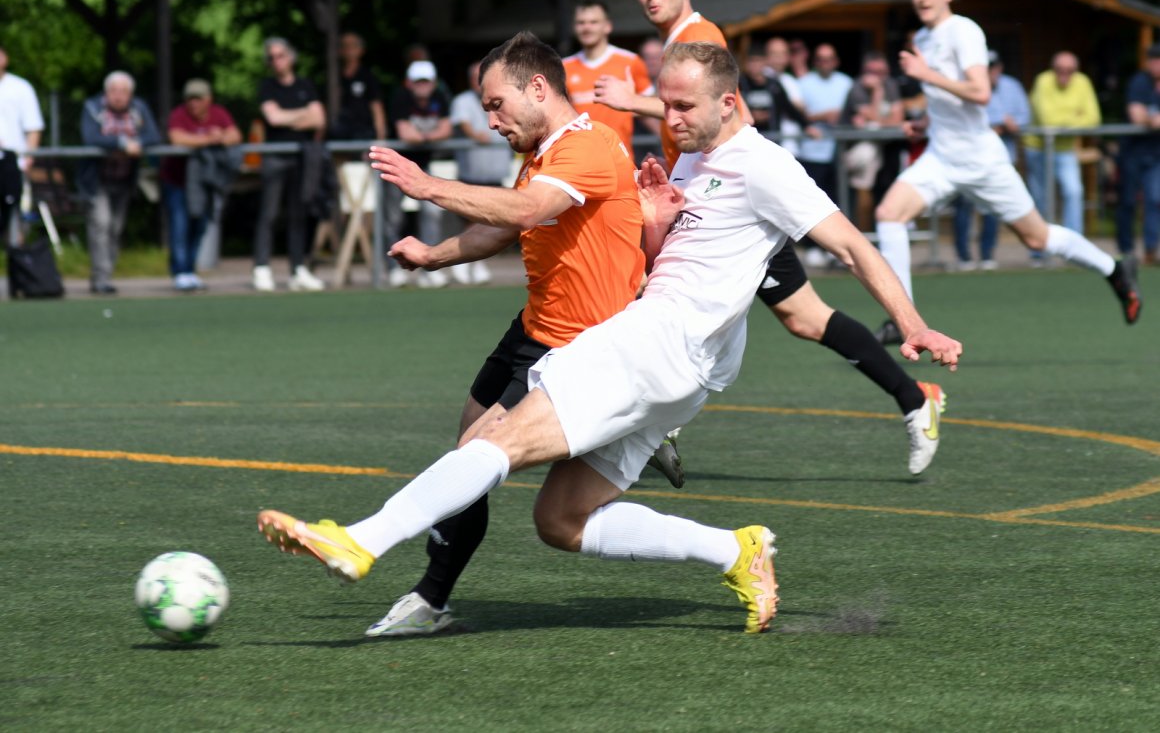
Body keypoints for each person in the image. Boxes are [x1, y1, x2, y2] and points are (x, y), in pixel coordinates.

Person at [257, 41, 963, 636]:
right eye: (665, 101)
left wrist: (914, 324)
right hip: (687, 370)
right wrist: (655, 223)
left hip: (654, 342)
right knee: (560, 519)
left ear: (729, 103)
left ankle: (361, 540)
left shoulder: (764, 163)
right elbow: (679, 258)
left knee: (490, 444)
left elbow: (852, 246)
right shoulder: (688, 160)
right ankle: (736, 549)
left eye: (683, 105)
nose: (668, 116)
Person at [595, 0, 949, 474]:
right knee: (805, 319)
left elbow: (735, 119)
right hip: (701, 200)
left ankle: (650, 427)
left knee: (660, 296)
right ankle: (914, 398)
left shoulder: (698, 37)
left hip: (730, 209)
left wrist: (632, 104)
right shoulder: (677, 45)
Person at [362, 32, 645, 636]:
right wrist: (433, 255)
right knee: (464, 444)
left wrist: (426, 186)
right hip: (532, 327)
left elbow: (524, 211)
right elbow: (508, 227)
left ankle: (429, 599)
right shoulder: (544, 152)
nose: (490, 120)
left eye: (496, 105)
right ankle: (432, 597)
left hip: (574, 346)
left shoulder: (589, 146)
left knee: (474, 465)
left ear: (537, 87)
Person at [873, 0, 1141, 341]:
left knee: (1037, 238)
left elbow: (980, 92)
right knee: (888, 215)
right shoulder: (924, 37)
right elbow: (948, 99)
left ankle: (1114, 270)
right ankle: (905, 322)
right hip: (941, 156)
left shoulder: (963, 30)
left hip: (981, 160)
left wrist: (925, 74)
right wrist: (927, 123)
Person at [252, 37, 327, 293]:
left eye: (280, 55)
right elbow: (273, 118)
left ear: (291, 57)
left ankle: (298, 269)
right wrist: (302, 114)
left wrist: (290, 117)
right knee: (269, 213)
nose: (276, 61)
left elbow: (319, 119)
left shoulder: (305, 85)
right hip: (275, 157)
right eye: (271, 57)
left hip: (303, 157)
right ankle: (261, 267)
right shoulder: (267, 86)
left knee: (299, 214)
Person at [78, 71, 162, 295]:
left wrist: (138, 143)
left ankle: (107, 273)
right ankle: (100, 278)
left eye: (124, 91)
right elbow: (91, 138)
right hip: (97, 180)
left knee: (115, 229)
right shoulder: (93, 108)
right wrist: (122, 143)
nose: (119, 96)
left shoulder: (139, 109)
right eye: (114, 91)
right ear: (106, 92)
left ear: (130, 94)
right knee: (101, 224)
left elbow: (154, 135)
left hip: (124, 179)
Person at [162, 78, 242, 292]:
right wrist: (209, 138)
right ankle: (179, 271)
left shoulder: (219, 113)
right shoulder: (179, 115)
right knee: (180, 226)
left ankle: (191, 269)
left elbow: (235, 135)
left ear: (208, 99)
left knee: (199, 226)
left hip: (205, 183)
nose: (193, 103)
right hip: (178, 182)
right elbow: (177, 138)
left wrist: (221, 136)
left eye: (198, 98)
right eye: (190, 99)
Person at [953, 51, 1030, 270]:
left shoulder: (1011, 86)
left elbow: (1024, 117)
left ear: (1000, 68)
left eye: (993, 68)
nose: (989, 72)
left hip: (999, 158)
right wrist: (997, 123)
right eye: (986, 68)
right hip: (967, 157)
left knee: (993, 208)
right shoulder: (966, 86)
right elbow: (965, 119)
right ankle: (964, 257)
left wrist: (1009, 124)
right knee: (964, 206)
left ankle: (987, 254)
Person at [1024, 51, 1101, 258]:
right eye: (1060, 70)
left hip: (1065, 150)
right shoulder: (1043, 81)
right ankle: (1040, 252)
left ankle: (1075, 250)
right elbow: (1047, 120)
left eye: (1070, 70)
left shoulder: (1082, 83)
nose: (1064, 74)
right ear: (1053, 69)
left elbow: (1093, 118)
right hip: (1038, 149)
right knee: (1041, 200)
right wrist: (1074, 119)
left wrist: (1063, 124)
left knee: (1074, 192)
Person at [386, 59, 453, 288]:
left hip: (423, 168)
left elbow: (446, 129)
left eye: (426, 82)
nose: (422, 86)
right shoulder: (400, 97)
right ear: (410, 83)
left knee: (431, 213)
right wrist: (429, 137)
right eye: (418, 82)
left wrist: (422, 138)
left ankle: (429, 268)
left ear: (433, 83)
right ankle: (394, 268)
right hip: (396, 166)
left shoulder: (440, 98)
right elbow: (405, 133)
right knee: (393, 217)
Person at [447, 60, 514, 285]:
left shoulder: (504, 98)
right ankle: (463, 261)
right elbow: (464, 125)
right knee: (472, 217)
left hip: (496, 168)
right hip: (472, 169)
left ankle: (476, 263)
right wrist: (477, 136)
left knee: (491, 218)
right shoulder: (462, 101)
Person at [562, 0, 653, 158]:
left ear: (607, 26)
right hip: (578, 157)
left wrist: (666, 143)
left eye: (593, 22)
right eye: (581, 23)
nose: (587, 27)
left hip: (619, 157)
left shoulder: (630, 62)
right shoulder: (563, 67)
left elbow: (650, 109)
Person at [840, 51, 904, 230]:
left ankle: (881, 236)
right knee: (856, 194)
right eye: (873, 72)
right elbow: (876, 117)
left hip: (885, 149)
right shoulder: (856, 88)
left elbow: (897, 120)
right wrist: (877, 93)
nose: (878, 77)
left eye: (882, 72)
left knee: (885, 193)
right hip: (855, 153)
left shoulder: (891, 84)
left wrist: (879, 122)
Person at [1117, 43, 1160, 265]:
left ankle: (1151, 249)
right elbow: (1136, 116)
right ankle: (1126, 251)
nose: (1157, 64)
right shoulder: (1139, 82)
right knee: (1127, 201)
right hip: (1132, 152)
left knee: (1155, 199)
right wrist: (1150, 119)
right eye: (1154, 60)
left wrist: (1153, 119)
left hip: (1156, 153)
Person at [798, 43, 854, 211]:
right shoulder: (803, 83)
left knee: (840, 200)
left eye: (829, 59)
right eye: (821, 59)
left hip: (840, 150)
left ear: (836, 61)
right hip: (811, 151)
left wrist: (844, 118)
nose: (825, 63)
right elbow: (797, 116)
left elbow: (855, 112)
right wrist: (822, 116)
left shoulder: (846, 82)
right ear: (815, 62)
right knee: (812, 203)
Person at [0, 45, 44, 247]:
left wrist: (27, 159)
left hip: (13, 163)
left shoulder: (20, 87)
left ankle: (16, 268)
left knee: (16, 219)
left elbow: (33, 127)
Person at [331, 32, 386, 142]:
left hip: (364, 132)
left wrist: (381, 138)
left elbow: (376, 107)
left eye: (352, 46)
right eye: (344, 46)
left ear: (361, 50)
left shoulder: (368, 77)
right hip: (340, 131)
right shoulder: (334, 78)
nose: (348, 50)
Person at [762, 36, 807, 158]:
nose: (779, 58)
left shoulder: (791, 81)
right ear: (766, 56)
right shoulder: (759, 79)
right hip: (766, 147)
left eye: (783, 53)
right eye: (775, 54)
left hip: (791, 146)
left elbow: (801, 109)